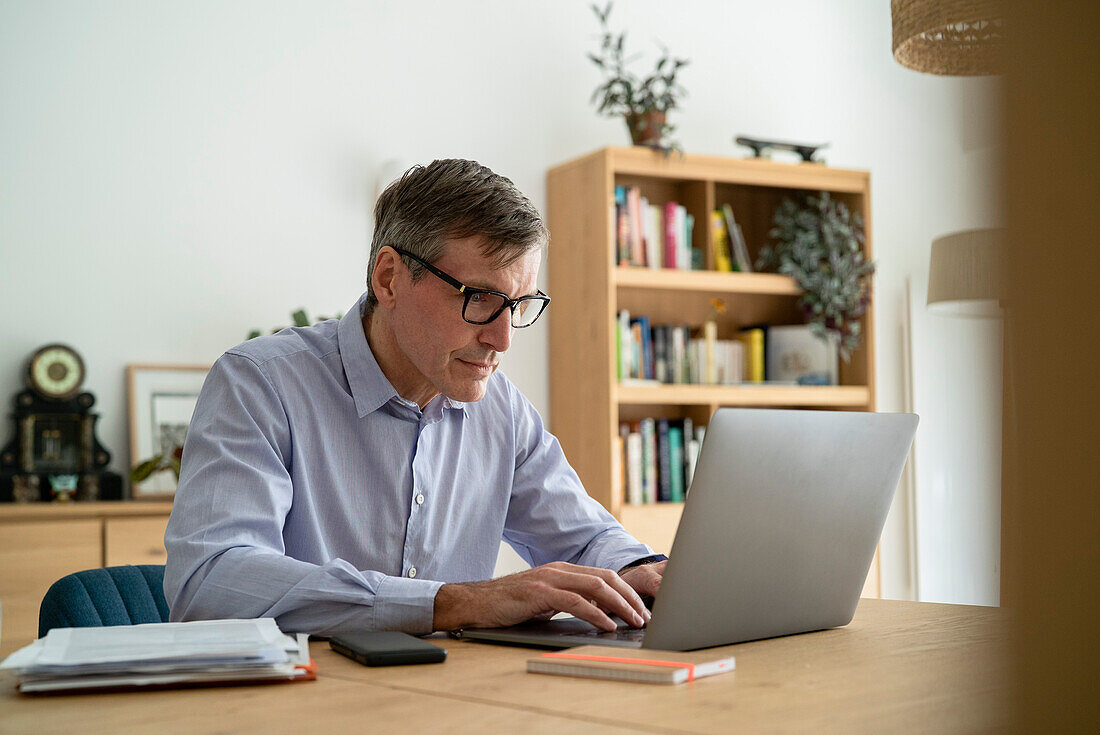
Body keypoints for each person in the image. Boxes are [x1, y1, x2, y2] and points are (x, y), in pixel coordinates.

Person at [164, 158, 666, 637]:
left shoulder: (502, 410)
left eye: (518, 305)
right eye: (480, 299)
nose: (503, 339)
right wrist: (455, 603)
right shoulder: (260, 384)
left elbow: (583, 537)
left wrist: (642, 569)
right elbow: (211, 584)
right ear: (389, 279)